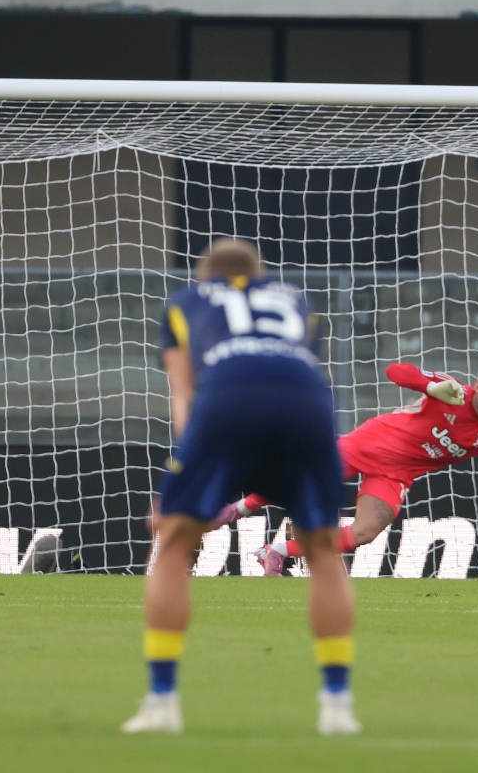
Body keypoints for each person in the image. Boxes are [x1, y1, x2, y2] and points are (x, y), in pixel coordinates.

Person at [122, 238, 359, 735]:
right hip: (308, 406)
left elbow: (183, 392)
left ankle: (162, 702)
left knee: (173, 542)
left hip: (226, 399)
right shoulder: (296, 299)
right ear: (261, 275)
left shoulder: (186, 301)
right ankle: (337, 706)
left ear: (203, 276)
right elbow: (297, 366)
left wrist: (187, 475)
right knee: (321, 550)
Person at [212, 363, 478, 575]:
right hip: (372, 442)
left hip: (395, 474)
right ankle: (235, 509)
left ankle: (276, 551)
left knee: (366, 531)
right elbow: (395, 370)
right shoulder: (452, 391)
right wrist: (429, 386)